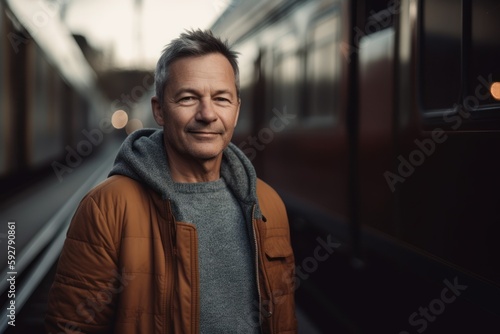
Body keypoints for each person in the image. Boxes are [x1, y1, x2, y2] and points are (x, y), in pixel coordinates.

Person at [45, 29, 297, 334]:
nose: (207, 114)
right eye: (188, 98)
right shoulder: (106, 208)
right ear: (159, 110)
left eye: (221, 98)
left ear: (236, 110)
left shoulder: (268, 204)